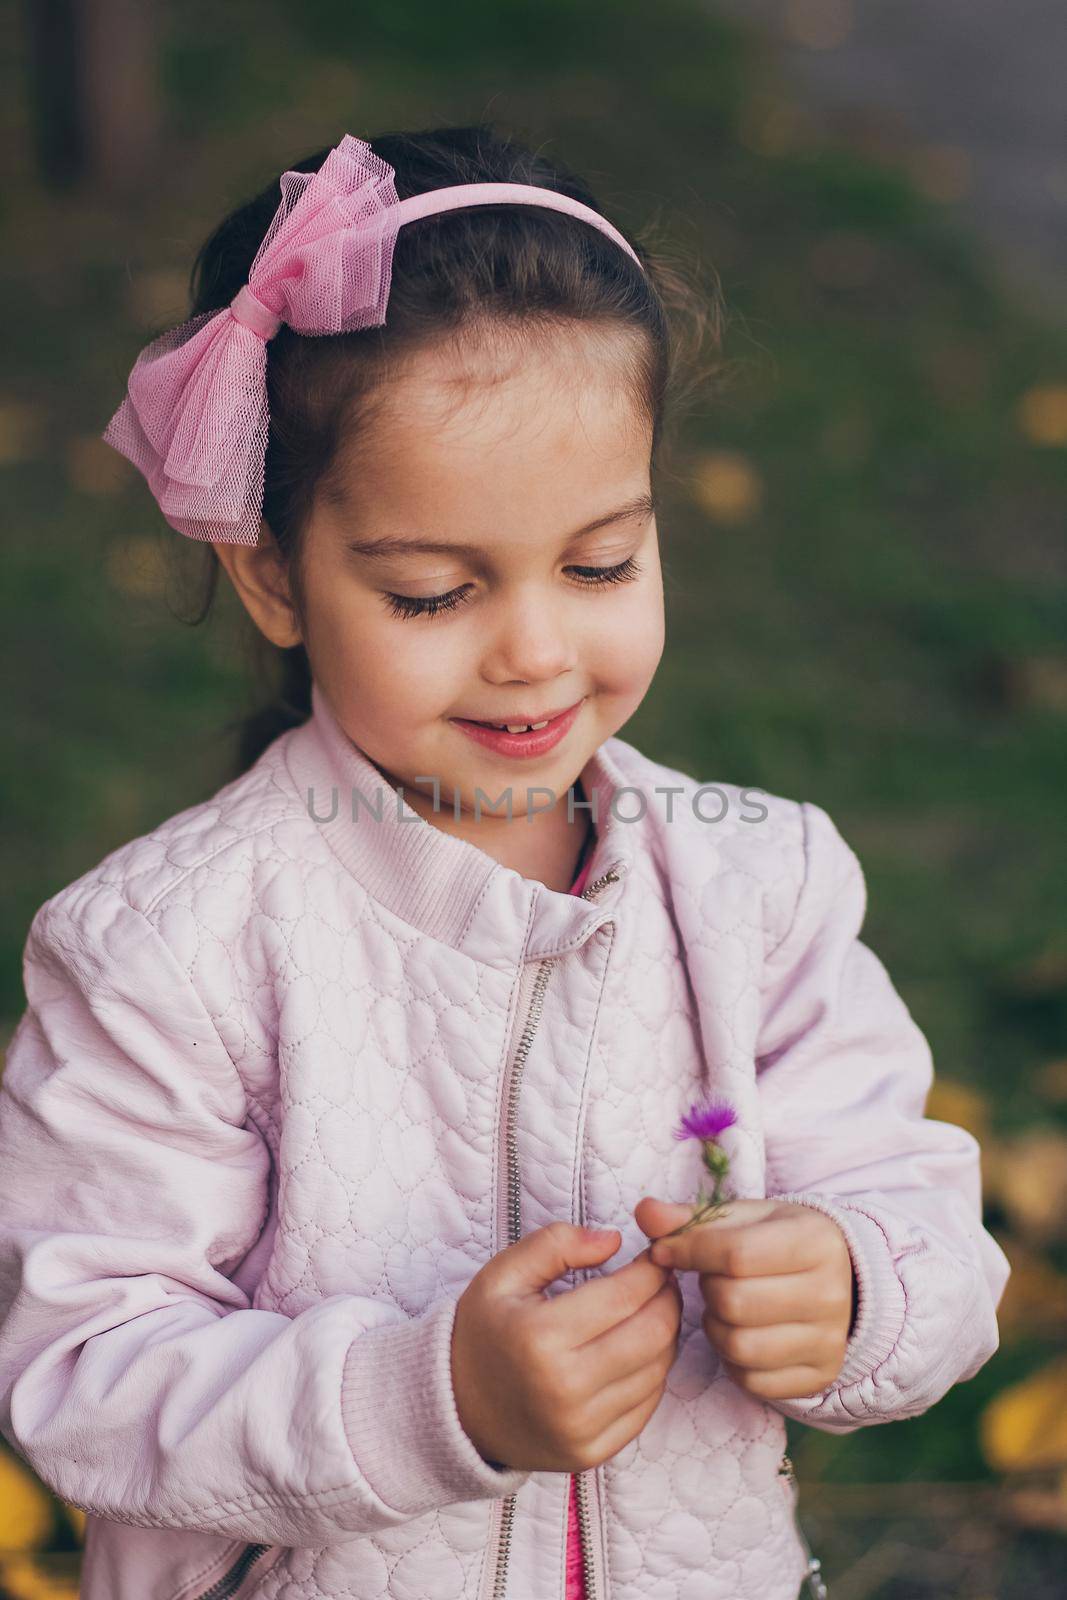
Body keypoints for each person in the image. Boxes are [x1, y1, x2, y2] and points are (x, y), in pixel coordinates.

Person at [0, 125, 1009, 1600]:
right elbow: (82, 1373)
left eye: (600, 564)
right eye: (432, 591)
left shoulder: (760, 892)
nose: (535, 648)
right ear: (272, 573)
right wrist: (437, 1399)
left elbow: (927, 1226)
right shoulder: (169, 953)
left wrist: (855, 1286)